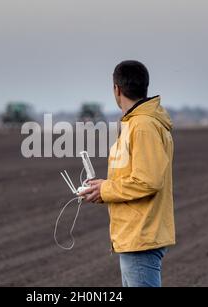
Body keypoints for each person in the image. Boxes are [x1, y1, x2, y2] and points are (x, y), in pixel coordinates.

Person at [80, 60, 176, 287]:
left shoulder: (142, 126)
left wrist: (105, 188)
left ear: (117, 89)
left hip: (141, 235)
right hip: (134, 235)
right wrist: (101, 189)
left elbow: (147, 181)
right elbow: (134, 178)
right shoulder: (137, 124)